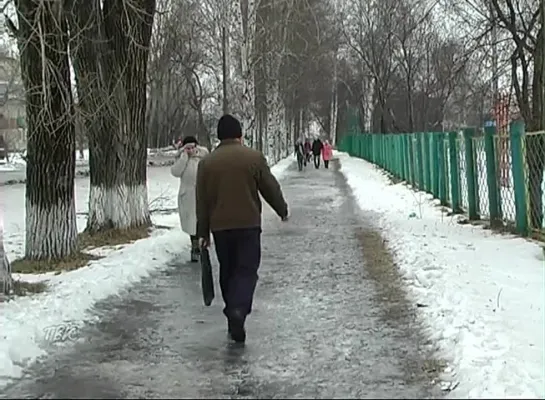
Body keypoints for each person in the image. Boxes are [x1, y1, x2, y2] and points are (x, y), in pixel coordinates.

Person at [196, 114, 288, 343]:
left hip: (220, 227)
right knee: (246, 270)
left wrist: (202, 232)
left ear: (219, 136)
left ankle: (233, 316)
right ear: (239, 135)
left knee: (227, 271)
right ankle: (238, 311)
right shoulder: (253, 157)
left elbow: (202, 200)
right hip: (248, 225)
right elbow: (269, 187)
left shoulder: (207, 163)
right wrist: (282, 209)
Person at [170, 136, 209, 262]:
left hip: (202, 194)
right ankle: (194, 246)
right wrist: (184, 158)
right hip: (188, 195)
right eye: (188, 147)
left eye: (193, 147)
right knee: (191, 223)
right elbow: (175, 172)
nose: (191, 150)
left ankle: (202, 245)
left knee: (201, 221)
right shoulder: (182, 158)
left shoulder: (203, 156)